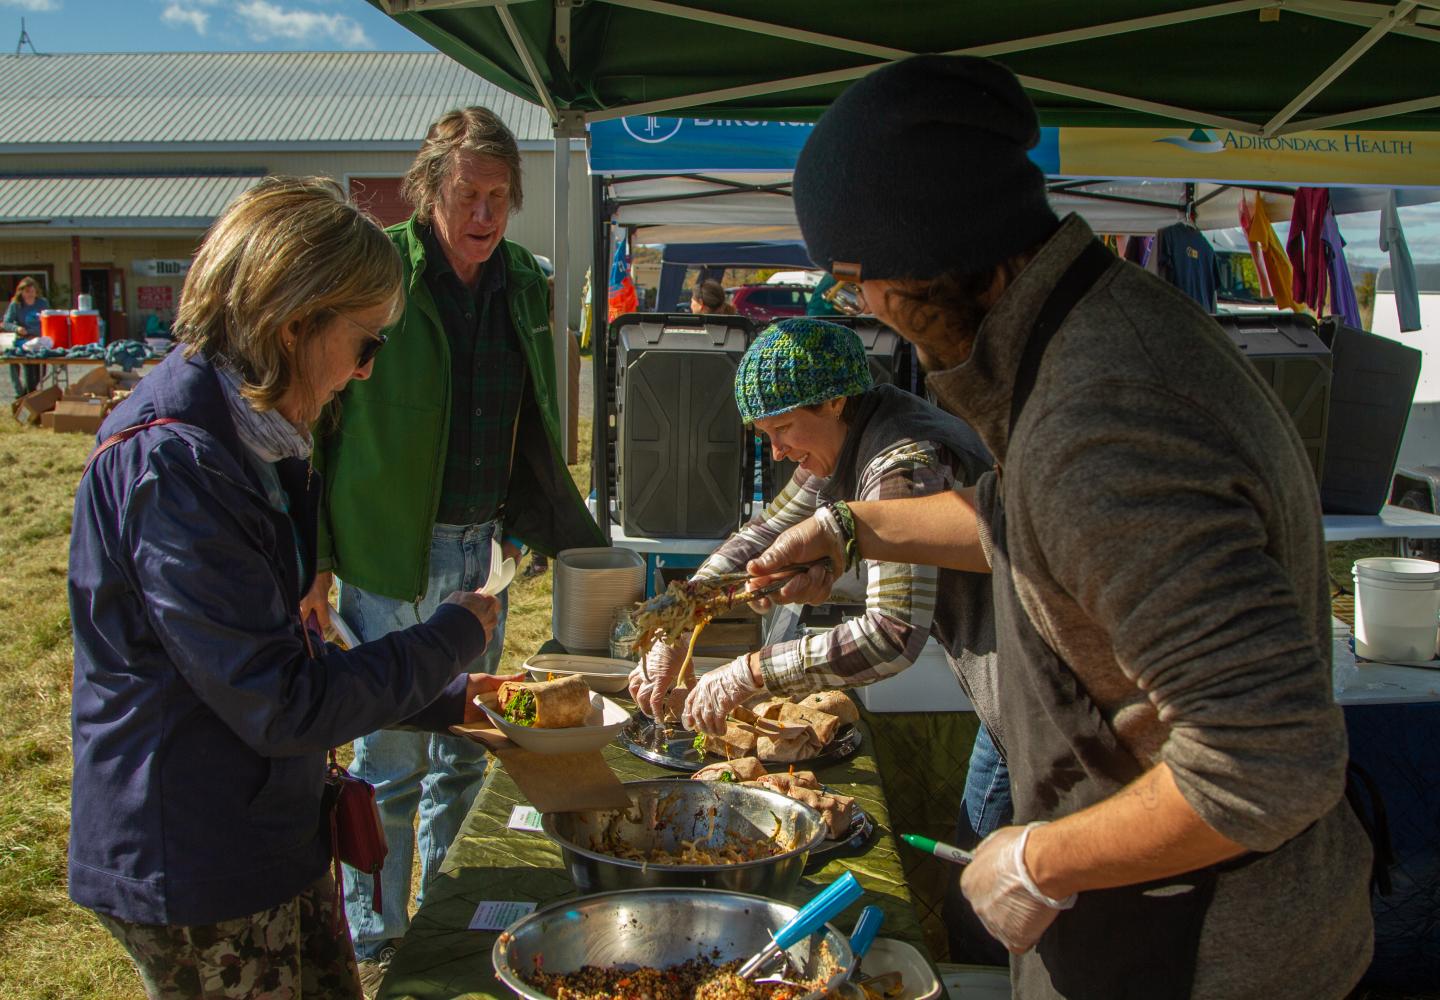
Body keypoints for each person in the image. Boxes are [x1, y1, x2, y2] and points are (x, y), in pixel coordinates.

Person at [748, 55, 1374, 998]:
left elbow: (1267, 760)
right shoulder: (1090, 328)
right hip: (1154, 906)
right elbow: (1023, 516)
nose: (864, 310)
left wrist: (1043, 858)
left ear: (929, 252)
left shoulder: (1103, 415)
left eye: (854, 283)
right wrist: (854, 528)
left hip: (1202, 944)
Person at [68, 176, 512, 1000]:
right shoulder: (176, 468)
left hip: (263, 829)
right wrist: (451, 633)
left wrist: (443, 699)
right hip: (200, 857)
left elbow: (274, 647)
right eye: (367, 343)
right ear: (293, 323)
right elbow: (279, 699)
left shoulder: (250, 437)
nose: (368, 373)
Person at [304, 106, 604, 978]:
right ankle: (378, 933)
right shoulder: (377, 273)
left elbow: (534, 410)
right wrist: (315, 554)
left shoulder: (519, 276)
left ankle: (445, 905)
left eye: (500, 198)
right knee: (390, 754)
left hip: (484, 551)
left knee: (473, 742)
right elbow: (321, 425)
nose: (485, 214)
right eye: (469, 194)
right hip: (387, 550)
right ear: (430, 189)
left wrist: (531, 515)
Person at [627, 318, 993, 741]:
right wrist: (680, 618)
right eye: (766, 435)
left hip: (1033, 668)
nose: (778, 452)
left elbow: (891, 634)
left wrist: (750, 672)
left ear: (834, 401)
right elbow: (761, 535)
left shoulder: (903, 465)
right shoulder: (842, 437)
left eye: (782, 428)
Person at [3, 276, 48, 397]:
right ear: (21, 292)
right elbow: (6, 323)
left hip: (39, 341)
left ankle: (24, 395)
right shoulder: (16, 305)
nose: (30, 294)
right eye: (27, 292)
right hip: (24, 341)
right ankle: (28, 397)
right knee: (29, 371)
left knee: (42, 372)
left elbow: (48, 319)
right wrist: (17, 328)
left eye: (32, 291)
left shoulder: (42, 303)